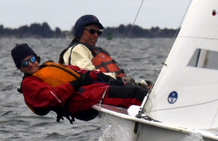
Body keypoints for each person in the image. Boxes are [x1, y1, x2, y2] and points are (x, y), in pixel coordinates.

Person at [13, 42, 147, 122]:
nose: (30, 64)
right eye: (25, 63)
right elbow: (51, 97)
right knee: (136, 94)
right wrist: (76, 83)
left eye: (32, 59)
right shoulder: (29, 83)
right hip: (81, 101)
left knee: (134, 88)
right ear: (20, 68)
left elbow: (79, 71)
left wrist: (109, 79)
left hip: (91, 92)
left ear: (36, 58)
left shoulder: (48, 67)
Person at [58, 14, 149, 87]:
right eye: (92, 31)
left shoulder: (90, 50)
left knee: (144, 88)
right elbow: (89, 73)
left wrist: (138, 83)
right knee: (139, 93)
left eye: (98, 32)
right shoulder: (77, 49)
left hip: (107, 88)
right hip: (91, 96)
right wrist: (119, 80)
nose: (96, 35)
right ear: (80, 31)